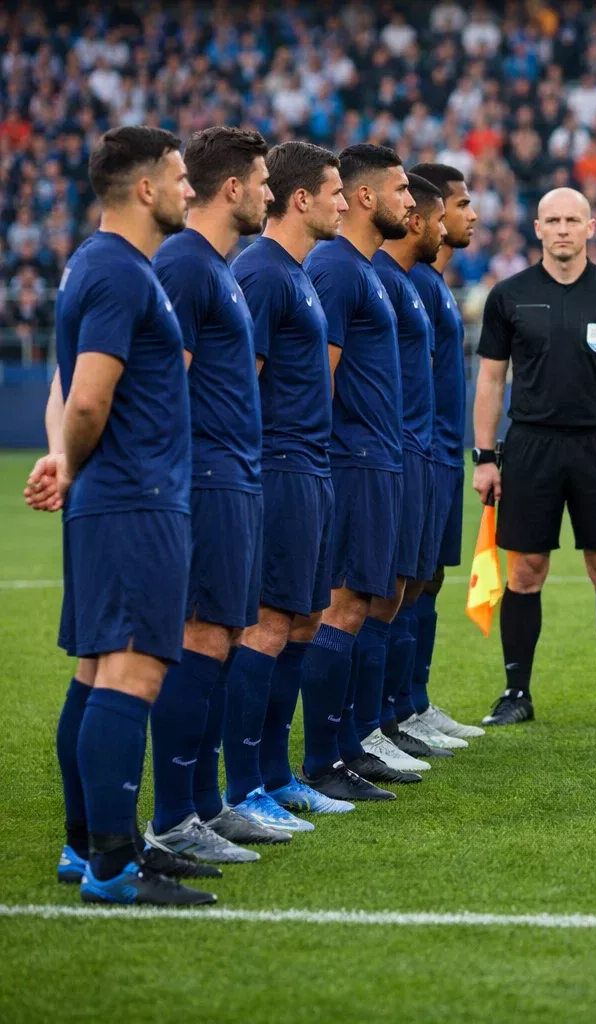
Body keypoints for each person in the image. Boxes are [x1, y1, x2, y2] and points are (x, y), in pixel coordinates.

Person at [47, 125, 213, 904]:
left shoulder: (94, 260)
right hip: (135, 497)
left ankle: (88, 849)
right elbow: (86, 396)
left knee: (94, 673)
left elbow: (68, 391)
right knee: (131, 674)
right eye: (181, 178)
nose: (190, 190)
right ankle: (114, 865)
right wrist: (73, 461)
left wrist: (65, 464)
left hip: (111, 497)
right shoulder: (119, 272)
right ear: (144, 188)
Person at [146, 126, 295, 863]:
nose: (270, 194)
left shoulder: (217, 266)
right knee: (200, 638)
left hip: (235, 476)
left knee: (225, 637)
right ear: (232, 187)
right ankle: (173, 818)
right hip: (204, 479)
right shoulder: (183, 264)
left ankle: (207, 806)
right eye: (263, 181)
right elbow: (164, 383)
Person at [472, 186, 596, 727]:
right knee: (525, 571)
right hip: (531, 444)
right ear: (536, 229)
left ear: (590, 227)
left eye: (571, 220)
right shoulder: (508, 295)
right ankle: (516, 693)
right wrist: (485, 456)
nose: (561, 229)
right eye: (551, 220)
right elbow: (490, 379)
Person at [230, 140, 362, 812]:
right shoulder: (260, 272)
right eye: (336, 190)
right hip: (277, 467)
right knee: (266, 625)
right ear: (301, 198)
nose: (345, 202)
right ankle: (243, 785)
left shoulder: (300, 272)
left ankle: (276, 777)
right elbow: (238, 385)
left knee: (305, 620)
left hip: (312, 469)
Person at [298, 143, 419, 799]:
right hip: (348, 461)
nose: (411, 202)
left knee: (365, 602)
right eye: (402, 191)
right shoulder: (337, 269)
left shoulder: (366, 268)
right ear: (367, 196)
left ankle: (345, 747)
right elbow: (323, 376)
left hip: (378, 459)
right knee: (340, 608)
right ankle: (322, 761)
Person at [368, 172, 451, 766]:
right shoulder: (384, 277)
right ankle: (370, 729)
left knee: (411, 585)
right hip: (379, 455)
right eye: (446, 212)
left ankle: (403, 711)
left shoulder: (415, 281)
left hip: (423, 451)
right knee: (363, 598)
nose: (452, 226)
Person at [402, 161, 484, 744]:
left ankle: (413, 704)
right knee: (396, 587)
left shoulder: (435, 285)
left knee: (426, 580)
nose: (471, 215)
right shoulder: (409, 282)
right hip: (414, 453)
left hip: (441, 454)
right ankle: (391, 715)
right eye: (460, 205)